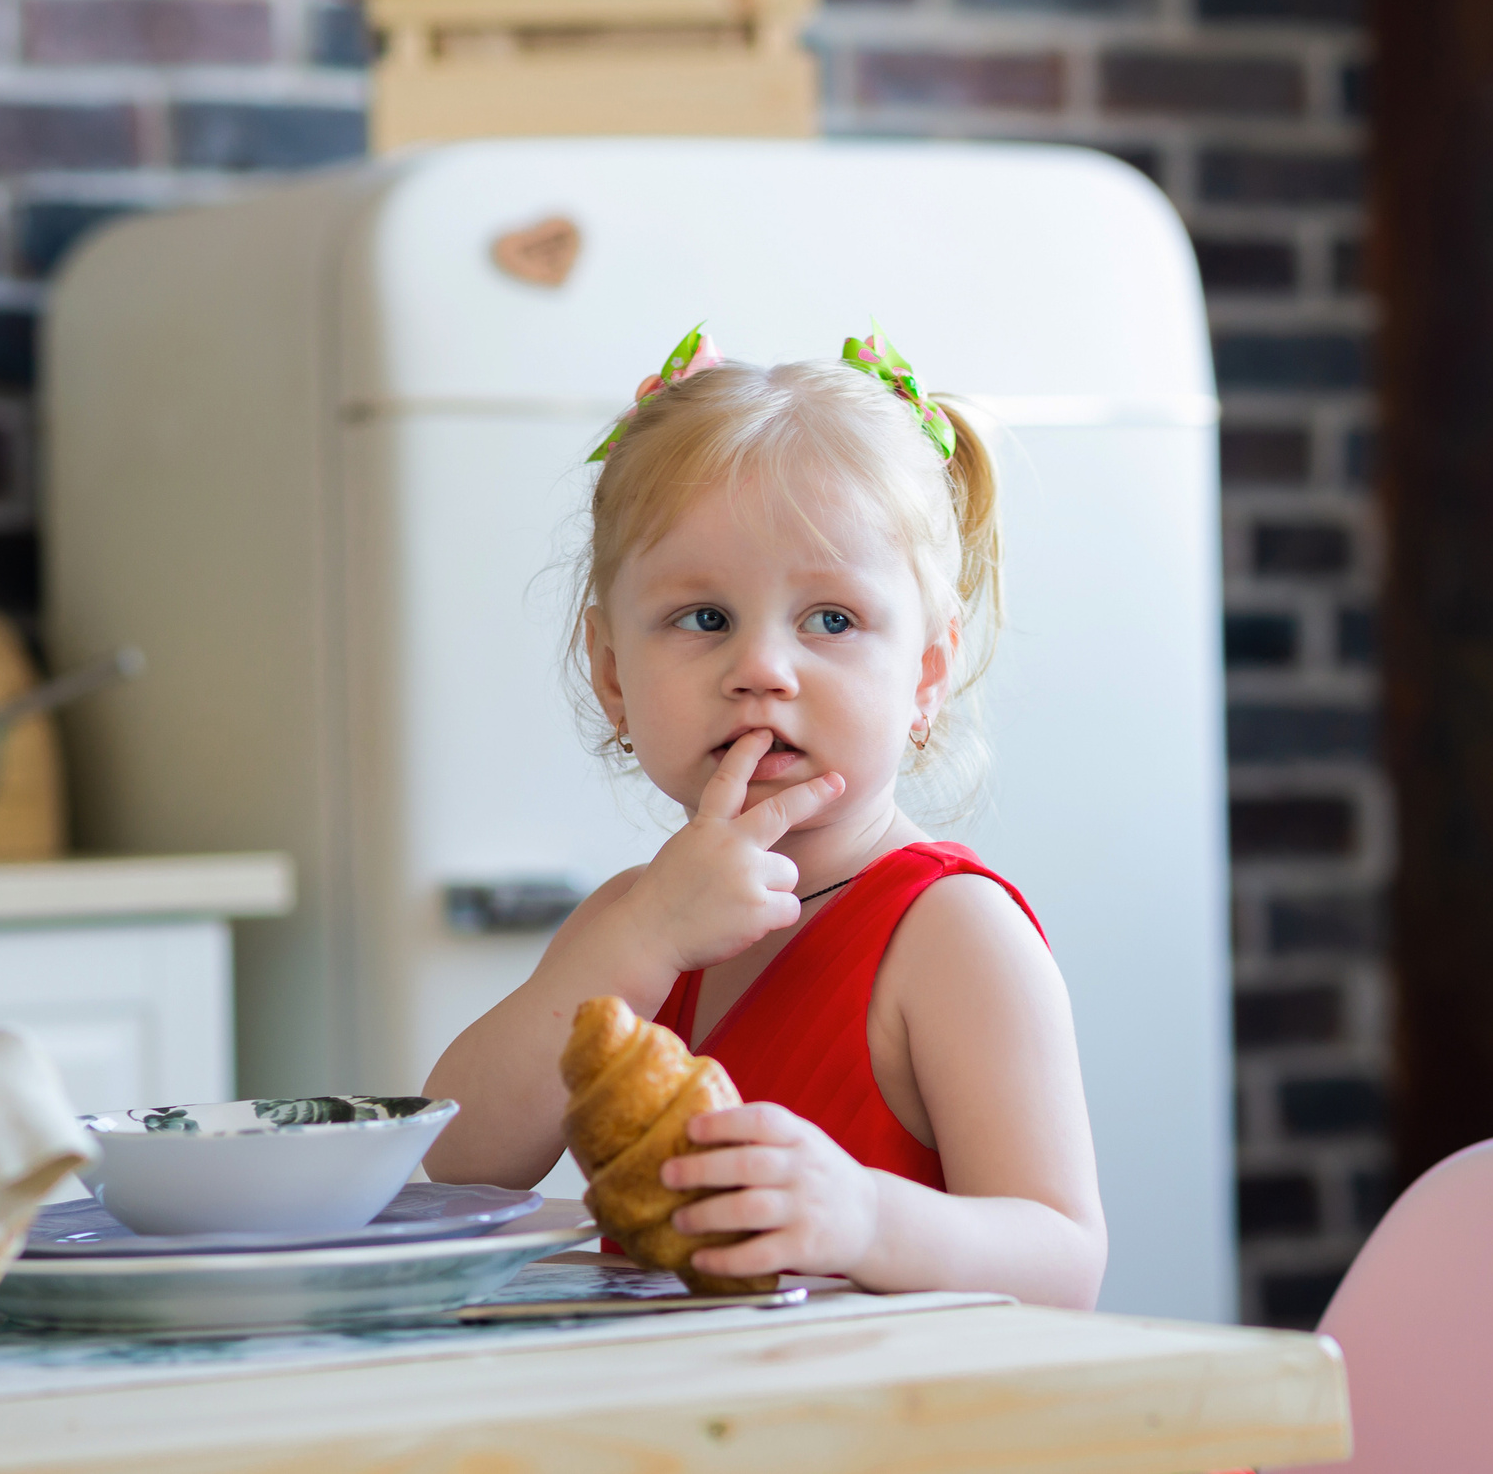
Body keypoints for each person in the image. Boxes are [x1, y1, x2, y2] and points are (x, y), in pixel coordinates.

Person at [424, 326, 1106, 1308]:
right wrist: (642, 932)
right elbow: (455, 1163)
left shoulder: (951, 932)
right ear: (612, 673)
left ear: (925, 671)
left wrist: (864, 1217)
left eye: (830, 619)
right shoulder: (634, 919)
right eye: (704, 618)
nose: (762, 669)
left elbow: (1064, 1261)